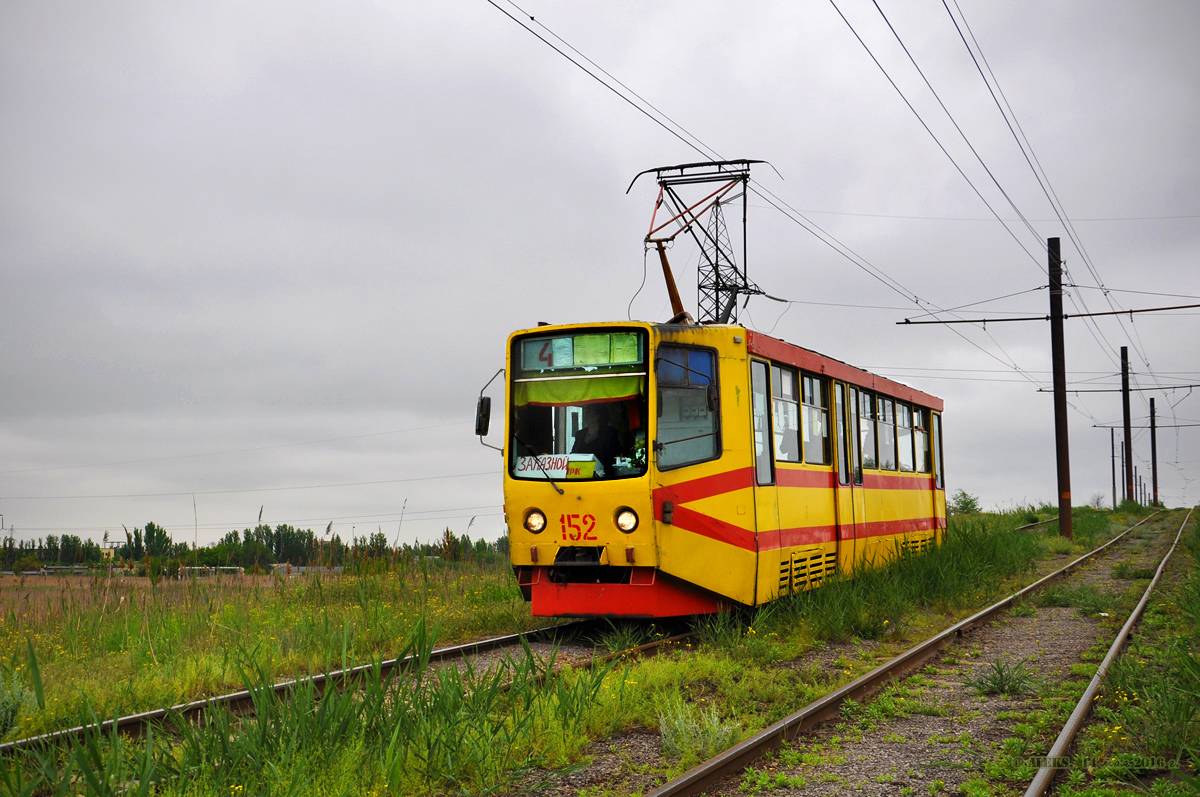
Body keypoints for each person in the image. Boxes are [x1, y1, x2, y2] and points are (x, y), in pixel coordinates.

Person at [572, 404, 623, 476]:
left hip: (604, 476)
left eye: (588, 413)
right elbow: (573, 454)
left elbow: (617, 454)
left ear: (597, 416)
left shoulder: (610, 433)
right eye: (585, 413)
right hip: (581, 474)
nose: (585, 416)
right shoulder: (580, 434)